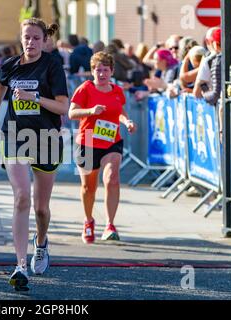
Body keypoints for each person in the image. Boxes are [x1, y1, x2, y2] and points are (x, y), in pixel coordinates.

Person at [0, 18, 68, 291]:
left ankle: (42, 242)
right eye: (26, 37)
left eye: (36, 38)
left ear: (44, 40)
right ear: (20, 37)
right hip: (14, 137)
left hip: (45, 139)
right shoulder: (9, 65)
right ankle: (21, 265)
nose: (31, 42)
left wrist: (34, 99)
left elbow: (62, 108)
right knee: (21, 196)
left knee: (40, 208)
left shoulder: (52, 65)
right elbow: (0, 84)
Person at [68, 51, 136, 244]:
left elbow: (120, 111)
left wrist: (127, 121)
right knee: (88, 187)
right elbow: (71, 112)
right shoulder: (85, 89)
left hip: (111, 142)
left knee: (112, 178)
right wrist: (90, 111)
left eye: (106, 70)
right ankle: (88, 221)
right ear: (92, 71)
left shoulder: (117, 91)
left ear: (112, 71)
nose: (102, 74)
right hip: (87, 141)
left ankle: (110, 225)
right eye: (98, 70)